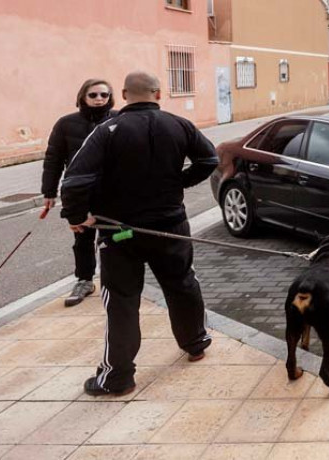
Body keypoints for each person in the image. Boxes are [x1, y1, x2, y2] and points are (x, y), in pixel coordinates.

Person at [60, 71, 219, 396]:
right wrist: (180, 181)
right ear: (158, 93)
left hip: (120, 233)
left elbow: (75, 179)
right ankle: (196, 344)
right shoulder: (179, 125)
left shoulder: (107, 131)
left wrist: (77, 217)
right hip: (171, 227)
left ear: (123, 94)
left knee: (121, 301)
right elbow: (209, 159)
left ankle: (118, 377)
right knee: (182, 284)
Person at [42, 79, 117, 307]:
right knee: (82, 238)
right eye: (93, 95)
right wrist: (49, 191)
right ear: (82, 97)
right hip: (79, 193)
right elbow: (53, 159)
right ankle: (84, 280)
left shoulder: (119, 119)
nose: (99, 99)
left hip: (111, 191)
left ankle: (117, 278)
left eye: (104, 95)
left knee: (116, 236)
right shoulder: (66, 124)